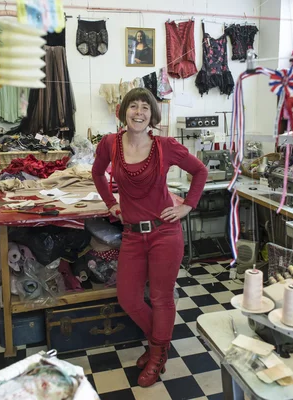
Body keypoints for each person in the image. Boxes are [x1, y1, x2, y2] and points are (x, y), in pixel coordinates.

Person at [92, 88, 208, 387]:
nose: (139, 112)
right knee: (128, 298)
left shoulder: (166, 146)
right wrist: (111, 203)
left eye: (145, 107)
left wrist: (187, 206)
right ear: (124, 111)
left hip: (164, 233)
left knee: (160, 297)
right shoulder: (110, 144)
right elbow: (97, 173)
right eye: (134, 106)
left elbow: (200, 171)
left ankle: (156, 354)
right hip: (132, 234)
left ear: (152, 115)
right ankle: (159, 344)